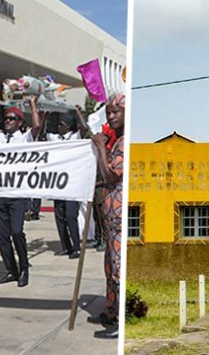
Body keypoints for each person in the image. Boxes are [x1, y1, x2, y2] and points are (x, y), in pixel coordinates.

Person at [0, 95, 41, 288]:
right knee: (2, 236)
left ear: (20, 122)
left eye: (12, 118)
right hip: (1, 193)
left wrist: (33, 105)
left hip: (18, 194)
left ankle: (24, 269)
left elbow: (36, 127)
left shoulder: (24, 137)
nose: (8, 121)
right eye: (6, 118)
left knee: (17, 232)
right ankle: (11, 270)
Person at [88, 94, 125, 339]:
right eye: (109, 112)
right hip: (111, 220)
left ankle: (120, 323)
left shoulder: (123, 143)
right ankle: (110, 311)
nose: (110, 116)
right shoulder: (115, 141)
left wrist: (101, 146)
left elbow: (111, 175)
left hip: (120, 220)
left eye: (115, 112)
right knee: (110, 268)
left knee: (119, 269)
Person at [47, 113, 86, 259]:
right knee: (59, 216)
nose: (58, 126)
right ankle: (66, 246)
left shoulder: (75, 137)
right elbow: (40, 133)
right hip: (58, 182)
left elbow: (84, 127)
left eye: (61, 124)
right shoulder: (56, 138)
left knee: (70, 215)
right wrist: (44, 115)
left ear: (68, 126)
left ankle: (76, 247)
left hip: (71, 182)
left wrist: (78, 114)